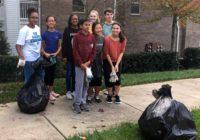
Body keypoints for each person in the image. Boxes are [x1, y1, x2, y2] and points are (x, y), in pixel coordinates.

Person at [72, 19, 96, 114]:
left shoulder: (92, 37)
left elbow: (94, 51)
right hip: (79, 66)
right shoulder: (77, 37)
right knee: (79, 84)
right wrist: (81, 63)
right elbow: (75, 51)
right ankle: (76, 103)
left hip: (88, 65)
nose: (87, 26)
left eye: (89, 25)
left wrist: (88, 62)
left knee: (86, 83)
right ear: (81, 26)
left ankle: (83, 101)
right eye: (86, 24)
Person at [16, 8, 43, 84]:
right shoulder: (24, 30)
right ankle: (27, 96)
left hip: (38, 58)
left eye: (36, 17)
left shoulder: (38, 28)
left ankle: (37, 95)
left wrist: (41, 51)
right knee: (29, 82)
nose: (35, 19)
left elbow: (39, 41)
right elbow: (18, 46)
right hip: (29, 60)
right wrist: (22, 57)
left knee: (40, 79)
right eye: (32, 17)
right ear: (28, 18)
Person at [103, 22, 127, 104]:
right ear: (111, 29)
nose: (115, 30)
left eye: (117, 28)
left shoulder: (123, 39)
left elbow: (122, 52)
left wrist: (116, 65)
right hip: (108, 60)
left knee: (117, 79)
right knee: (109, 78)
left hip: (118, 61)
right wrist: (112, 66)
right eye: (114, 28)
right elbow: (106, 53)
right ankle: (109, 95)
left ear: (120, 30)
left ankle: (116, 95)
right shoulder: (107, 39)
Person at [42, 16, 62, 102]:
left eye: (52, 21)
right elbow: (41, 47)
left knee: (52, 75)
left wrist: (56, 53)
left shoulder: (58, 33)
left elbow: (60, 46)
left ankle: (51, 91)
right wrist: (45, 54)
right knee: (47, 75)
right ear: (46, 23)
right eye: (49, 21)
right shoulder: (44, 34)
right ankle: (48, 93)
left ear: (55, 22)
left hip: (54, 57)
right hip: (46, 57)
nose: (51, 22)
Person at [62, 14, 79, 100]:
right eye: (73, 19)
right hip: (69, 56)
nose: (75, 20)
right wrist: (64, 56)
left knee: (75, 74)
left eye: (76, 19)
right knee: (68, 74)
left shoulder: (80, 30)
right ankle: (68, 91)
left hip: (78, 57)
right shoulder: (67, 30)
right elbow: (64, 43)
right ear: (70, 20)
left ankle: (74, 90)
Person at [87, 22, 104, 104]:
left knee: (98, 79)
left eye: (100, 28)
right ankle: (89, 96)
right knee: (91, 80)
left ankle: (96, 96)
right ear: (93, 29)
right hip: (91, 61)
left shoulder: (102, 38)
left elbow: (103, 51)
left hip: (99, 62)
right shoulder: (90, 37)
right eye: (97, 28)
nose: (99, 29)